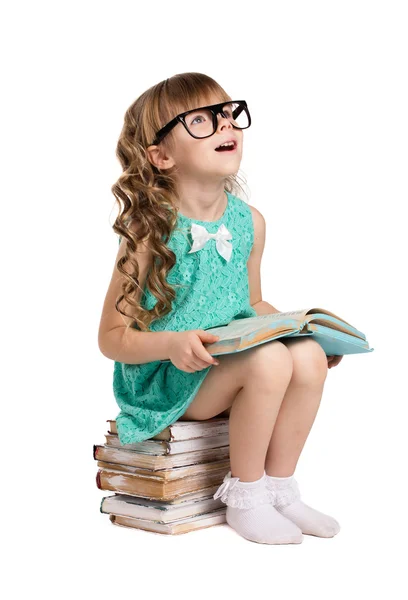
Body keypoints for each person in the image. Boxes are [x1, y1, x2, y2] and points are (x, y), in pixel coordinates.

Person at [98, 72, 343, 545]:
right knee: (270, 359)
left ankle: (279, 488)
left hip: (227, 361)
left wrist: (298, 329)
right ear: (161, 155)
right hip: (169, 377)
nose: (226, 126)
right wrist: (172, 344)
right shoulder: (149, 230)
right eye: (202, 121)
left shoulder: (250, 222)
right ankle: (246, 498)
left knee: (306, 355)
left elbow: (250, 303)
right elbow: (111, 337)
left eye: (229, 114)